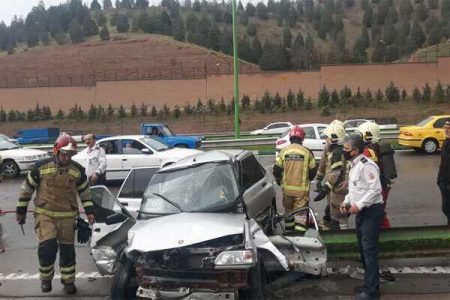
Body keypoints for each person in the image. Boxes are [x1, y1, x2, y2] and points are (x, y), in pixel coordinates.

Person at [15, 134, 95, 294]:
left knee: (68, 252)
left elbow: (85, 193)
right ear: (56, 151)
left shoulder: (77, 171)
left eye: (70, 155)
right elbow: (26, 189)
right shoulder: (41, 167)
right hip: (45, 216)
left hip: (67, 217)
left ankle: (68, 282)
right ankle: (45, 279)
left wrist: (90, 212)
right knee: (47, 248)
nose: (66, 157)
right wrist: (21, 211)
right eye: (64, 154)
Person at [340, 134, 384, 300]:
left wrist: (359, 205)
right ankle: (368, 284)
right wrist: (346, 202)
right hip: (361, 212)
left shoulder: (367, 166)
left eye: (346, 149)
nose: (344, 151)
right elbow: (355, 191)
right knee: (363, 250)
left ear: (355, 150)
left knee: (369, 250)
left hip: (371, 212)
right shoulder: (354, 165)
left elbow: (375, 190)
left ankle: (372, 291)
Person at [273, 126, 317, 232]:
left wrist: (279, 181)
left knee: (288, 212)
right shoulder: (307, 152)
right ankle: (300, 238)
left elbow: (276, 170)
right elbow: (313, 170)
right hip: (301, 191)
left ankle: (289, 233)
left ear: (290, 137)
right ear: (302, 138)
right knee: (300, 215)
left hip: (287, 190)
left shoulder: (283, 151)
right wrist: (308, 179)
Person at [314, 120, 350, 230]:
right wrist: (319, 180)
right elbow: (323, 164)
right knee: (331, 211)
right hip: (333, 186)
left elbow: (337, 173)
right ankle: (331, 228)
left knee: (339, 215)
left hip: (338, 187)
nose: (326, 139)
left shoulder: (339, 152)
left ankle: (341, 237)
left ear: (334, 138)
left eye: (328, 137)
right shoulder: (332, 148)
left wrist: (325, 188)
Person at [357, 121, 392, 229]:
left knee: (376, 216)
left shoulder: (368, 152)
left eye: (360, 135)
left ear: (367, 136)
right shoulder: (376, 148)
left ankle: (386, 237)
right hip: (383, 186)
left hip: (376, 189)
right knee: (379, 214)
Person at [438, 120, 450, 225]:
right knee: (446, 208)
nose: (446, 130)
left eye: (449, 128)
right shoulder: (446, 142)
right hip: (444, 183)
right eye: (445, 127)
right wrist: (439, 180)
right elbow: (443, 164)